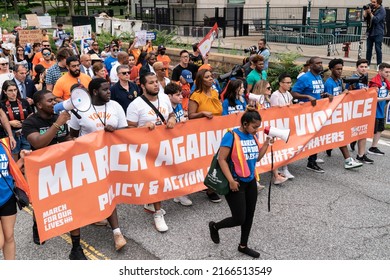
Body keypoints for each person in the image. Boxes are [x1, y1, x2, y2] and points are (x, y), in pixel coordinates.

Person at [22, 90, 87, 259]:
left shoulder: (59, 117)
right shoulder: (30, 122)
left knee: (72, 204)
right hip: (42, 170)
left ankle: (76, 248)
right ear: (39, 105)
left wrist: (71, 141)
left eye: (54, 99)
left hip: (63, 168)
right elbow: (38, 143)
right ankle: (38, 224)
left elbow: (63, 137)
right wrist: (57, 123)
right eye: (50, 100)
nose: (54, 102)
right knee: (41, 203)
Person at [69, 79, 127, 251]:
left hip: (111, 159)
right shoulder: (80, 110)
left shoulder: (115, 106)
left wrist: (115, 132)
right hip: (88, 160)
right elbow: (72, 136)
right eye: (105, 90)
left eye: (109, 89)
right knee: (96, 193)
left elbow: (126, 131)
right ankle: (104, 221)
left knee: (107, 193)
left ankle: (117, 233)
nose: (109, 92)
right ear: (94, 92)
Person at [208, 106, 272, 258]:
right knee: (239, 218)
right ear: (244, 124)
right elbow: (221, 159)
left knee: (249, 215)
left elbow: (257, 158)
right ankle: (215, 226)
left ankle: (243, 245)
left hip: (250, 181)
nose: (257, 130)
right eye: (254, 127)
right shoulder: (231, 136)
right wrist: (230, 180)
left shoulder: (252, 136)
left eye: (258, 127)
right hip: (235, 182)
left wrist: (267, 143)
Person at [126, 72, 176, 232]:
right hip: (146, 150)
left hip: (164, 146)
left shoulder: (165, 98)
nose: (155, 85)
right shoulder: (135, 105)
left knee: (161, 178)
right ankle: (158, 213)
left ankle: (151, 202)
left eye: (156, 82)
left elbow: (171, 113)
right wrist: (143, 127)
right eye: (151, 83)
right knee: (156, 178)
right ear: (142, 86)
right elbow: (129, 130)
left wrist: (172, 119)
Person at [291, 56, 332, 173]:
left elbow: (318, 92)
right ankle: (289, 158)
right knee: (302, 137)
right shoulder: (305, 78)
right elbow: (293, 92)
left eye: (321, 63)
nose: (320, 65)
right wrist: (307, 97)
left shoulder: (319, 77)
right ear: (311, 65)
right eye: (318, 63)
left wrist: (326, 94)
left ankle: (312, 160)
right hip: (306, 113)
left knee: (316, 136)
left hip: (317, 112)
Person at [188, 69, 222, 203]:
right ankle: (209, 189)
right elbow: (190, 115)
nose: (211, 79)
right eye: (207, 77)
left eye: (211, 76)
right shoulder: (196, 96)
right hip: (203, 134)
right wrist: (202, 114)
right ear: (201, 80)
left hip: (217, 131)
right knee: (207, 160)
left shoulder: (215, 92)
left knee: (218, 158)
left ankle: (212, 183)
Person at [323, 58, 363, 169]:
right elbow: (329, 101)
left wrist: (350, 89)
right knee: (340, 136)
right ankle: (348, 160)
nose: (340, 71)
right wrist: (343, 93)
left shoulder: (339, 81)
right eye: (337, 69)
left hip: (339, 113)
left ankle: (329, 148)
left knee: (338, 136)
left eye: (341, 69)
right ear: (331, 69)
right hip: (330, 114)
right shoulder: (329, 83)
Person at [0, 141, 30, 259]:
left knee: (9, 236)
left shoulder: (3, 145)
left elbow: (10, 172)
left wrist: (22, 160)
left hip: (7, 197)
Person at [164, 82, 193, 206]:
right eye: (178, 95)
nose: (182, 97)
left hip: (180, 140)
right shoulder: (166, 109)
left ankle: (179, 193)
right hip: (171, 141)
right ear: (169, 96)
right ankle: (179, 193)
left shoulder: (179, 106)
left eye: (181, 94)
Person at [345, 59, 374, 164]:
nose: (364, 69)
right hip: (353, 110)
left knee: (363, 132)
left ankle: (361, 155)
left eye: (366, 67)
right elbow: (348, 93)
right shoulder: (353, 78)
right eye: (361, 66)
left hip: (363, 110)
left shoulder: (365, 78)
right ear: (357, 67)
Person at [270, 73, 295, 183]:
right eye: (287, 82)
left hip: (286, 124)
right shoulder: (275, 95)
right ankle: (277, 169)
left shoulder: (288, 94)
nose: (289, 84)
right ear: (280, 83)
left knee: (286, 146)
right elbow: (273, 111)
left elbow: (291, 106)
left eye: (290, 82)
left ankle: (285, 168)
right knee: (277, 147)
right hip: (278, 125)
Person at [0, 80, 33, 161]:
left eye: (15, 90)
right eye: (10, 91)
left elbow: (32, 114)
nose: (13, 93)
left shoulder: (24, 101)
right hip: (10, 133)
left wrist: (25, 121)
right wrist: (10, 123)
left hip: (25, 131)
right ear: (4, 91)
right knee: (13, 156)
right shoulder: (1, 104)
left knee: (27, 154)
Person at [367, 62, 390, 155]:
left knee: (380, 128)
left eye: (389, 72)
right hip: (374, 110)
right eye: (386, 72)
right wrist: (386, 98)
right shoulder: (375, 83)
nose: (388, 74)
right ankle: (354, 141)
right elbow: (373, 99)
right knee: (371, 129)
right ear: (380, 71)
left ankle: (373, 147)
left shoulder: (385, 82)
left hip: (381, 110)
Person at [363, 0, 386, 66]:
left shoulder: (382, 10)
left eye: (374, 2)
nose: (372, 4)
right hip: (370, 32)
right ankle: (367, 65)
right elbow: (365, 19)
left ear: (378, 2)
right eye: (371, 2)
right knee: (368, 49)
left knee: (378, 49)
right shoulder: (372, 9)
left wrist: (370, 13)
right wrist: (366, 12)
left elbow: (376, 20)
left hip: (378, 32)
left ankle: (379, 65)